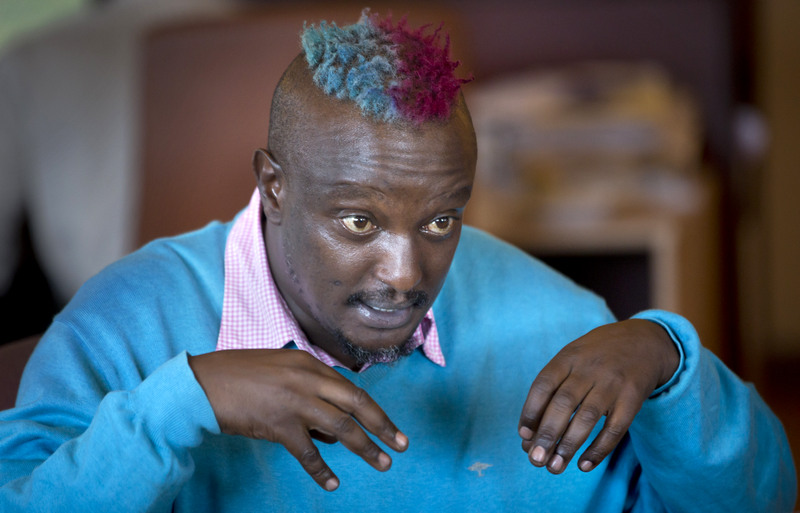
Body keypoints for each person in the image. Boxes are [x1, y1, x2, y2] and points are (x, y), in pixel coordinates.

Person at [0, 10, 795, 512]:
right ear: (273, 186)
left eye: (442, 218)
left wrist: (667, 357)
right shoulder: (126, 320)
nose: (405, 273)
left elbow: (763, 498)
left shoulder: (554, 320)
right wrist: (185, 400)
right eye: (358, 220)